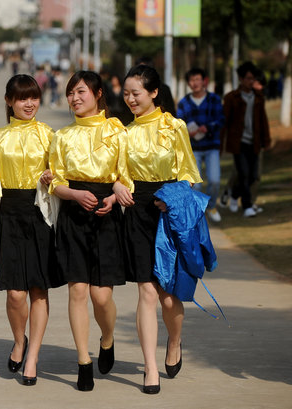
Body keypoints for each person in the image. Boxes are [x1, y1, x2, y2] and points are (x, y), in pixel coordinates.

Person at [113, 64, 201, 394]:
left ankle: (175, 341)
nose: (130, 99)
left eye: (136, 93)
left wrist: (172, 199)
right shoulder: (123, 132)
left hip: (168, 214)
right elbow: (116, 172)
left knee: (168, 297)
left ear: (153, 93)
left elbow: (189, 174)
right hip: (135, 212)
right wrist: (119, 186)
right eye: (126, 94)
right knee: (146, 292)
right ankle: (150, 368)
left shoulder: (174, 126)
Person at [0, 74, 62, 386]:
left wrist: (54, 177)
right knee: (15, 293)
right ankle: (19, 340)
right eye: (22, 98)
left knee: (39, 288)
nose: (29, 104)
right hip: (10, 214)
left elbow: (64, 176)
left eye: (34, 97)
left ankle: (33, 357)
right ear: (9, 101)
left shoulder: (50, 134)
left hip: (41, 213)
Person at [48, 71, 128, 391]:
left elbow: (127, 173)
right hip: (73, 213)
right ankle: (83, 362)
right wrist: (74, 194)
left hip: (107, 212)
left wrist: (113, 195)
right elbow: (55, 181)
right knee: (77, 291)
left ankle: (107, 338)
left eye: (80, 92)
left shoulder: (117, 130)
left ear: (97, 94)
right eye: (70, 93)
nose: (74, 98)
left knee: (101, 296)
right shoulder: (62, 136)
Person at [221, 61, 271, 218]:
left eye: (253, 78)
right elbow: (225, 122)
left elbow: (263, 119)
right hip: (238, 143)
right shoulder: (231, 98)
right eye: (248, 78)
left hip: (254, 142)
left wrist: (266, 139)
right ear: (241, 79)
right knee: (243, 173)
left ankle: (234, 194)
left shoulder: (258, 97)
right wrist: (220, 143)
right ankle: (247, 206)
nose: (251, 81)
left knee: (253, 175)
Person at [176, 68, 225, 223]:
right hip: (193, 149)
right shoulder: (184, 103)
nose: (194, 83)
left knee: (215, 180)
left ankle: (211, 206)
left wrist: (208, 127)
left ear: (205, 81)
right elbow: (179, 124)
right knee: (195, 184)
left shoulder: (214, 99)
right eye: (191, 80)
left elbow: (221, 120)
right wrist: (186, 133)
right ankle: (199, 212)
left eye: (197, 79)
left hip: (211, 146)